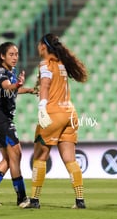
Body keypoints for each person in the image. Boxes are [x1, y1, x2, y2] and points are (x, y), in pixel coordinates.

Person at [21, 33, 88, 209]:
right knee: (70, 159)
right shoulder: (62, 64)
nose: (37, 48)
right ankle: (79, 200)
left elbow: (45, 85)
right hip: (70, 114)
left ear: (44, 46)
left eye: (38, 44)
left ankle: (34, 200)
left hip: (54, 113)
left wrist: (42, 107)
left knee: (40, 156)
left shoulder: (46, 64)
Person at [0, 41, 34, 207]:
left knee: (9, 159)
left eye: (16, 54)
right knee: (16, 154)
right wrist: (17, 84)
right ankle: (22, 198)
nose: (15, 57)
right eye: (11, 54)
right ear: (2, 56)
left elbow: (13, 89)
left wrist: (30, 90)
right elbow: (8, 87)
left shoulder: (11, 71)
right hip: (0, 117)